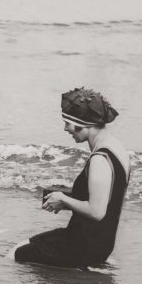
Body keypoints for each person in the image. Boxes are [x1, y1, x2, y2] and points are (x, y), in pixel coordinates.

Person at [13, 87, 131, 268]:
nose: (66, 128)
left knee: (16, 254)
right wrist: (67, 200)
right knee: (23, 245)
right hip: (98, 243)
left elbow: (97, 212)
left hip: (83, 248)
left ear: (84, 123)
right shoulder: (117, 148)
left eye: (68, 122)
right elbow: (108, 198)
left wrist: (63, 199)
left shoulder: (99, 159)